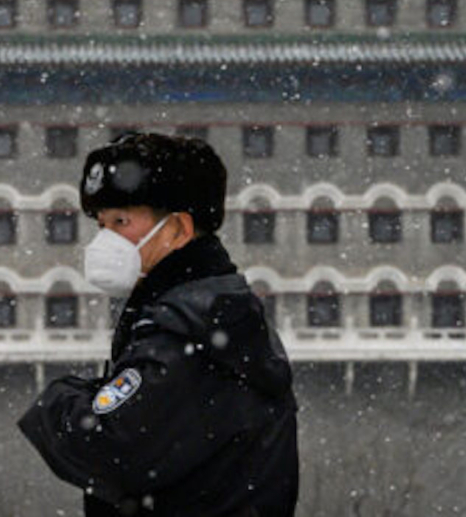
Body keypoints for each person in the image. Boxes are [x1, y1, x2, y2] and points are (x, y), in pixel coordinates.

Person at [18, 132, 299, 516]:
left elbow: (111, 444)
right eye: (101, 225)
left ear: (178, 229)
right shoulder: (211, 309)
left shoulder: (186, 328)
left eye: (121, 221)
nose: (105, 240)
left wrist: (59, 401)